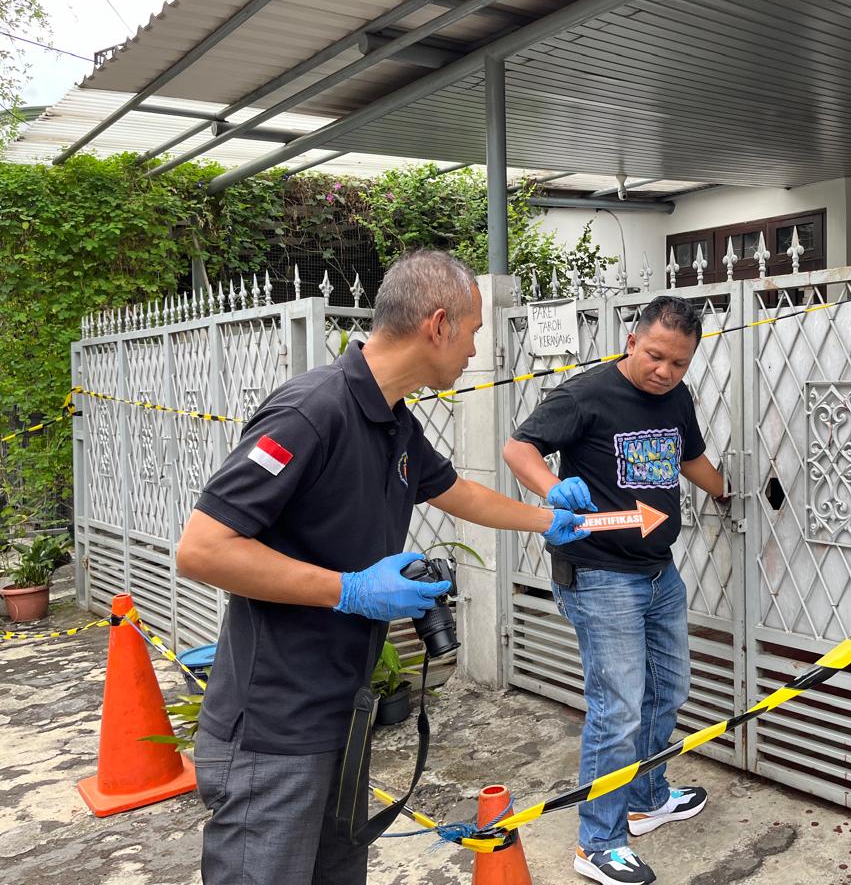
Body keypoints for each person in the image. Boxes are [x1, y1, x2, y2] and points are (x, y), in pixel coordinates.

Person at [175, 250, 588, 885]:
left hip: (345, 713)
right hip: (275, 727)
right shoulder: (313, 411)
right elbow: (203, 549)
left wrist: (549, 517)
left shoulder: (393, 418)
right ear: (439, 324)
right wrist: (351, 590)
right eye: (475, 332)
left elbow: (458, 492)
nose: (475, 351)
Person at [503, 295, 727, 885]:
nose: (665, 372)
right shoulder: (585, 395)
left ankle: (646, 797)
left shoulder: (675, 397)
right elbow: (517, 448)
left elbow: (692, 458)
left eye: (679, 363)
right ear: (632, 341)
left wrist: (730, 491)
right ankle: (596, 842)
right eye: (655, 356)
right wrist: (552, 487)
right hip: (600, 575)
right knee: (618, 707)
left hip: (659, 571)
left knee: (669, 688)